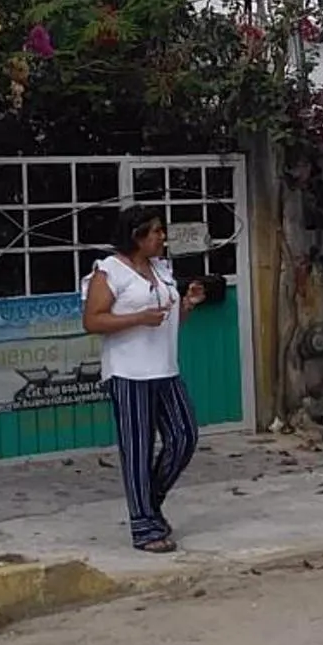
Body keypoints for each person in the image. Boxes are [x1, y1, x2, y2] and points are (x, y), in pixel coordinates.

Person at [82, 205, 210, 552]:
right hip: (128, 372)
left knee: (184, 437)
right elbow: (92, 321)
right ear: (136, 236)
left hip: (165, 369)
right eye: (155, 231)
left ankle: (148, 503)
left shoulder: (162, 270)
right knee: (137, 449)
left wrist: (187, 305)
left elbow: (168, 322)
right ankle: (144, 527)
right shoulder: (109, 272)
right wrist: (137, 318)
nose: (162, 237)